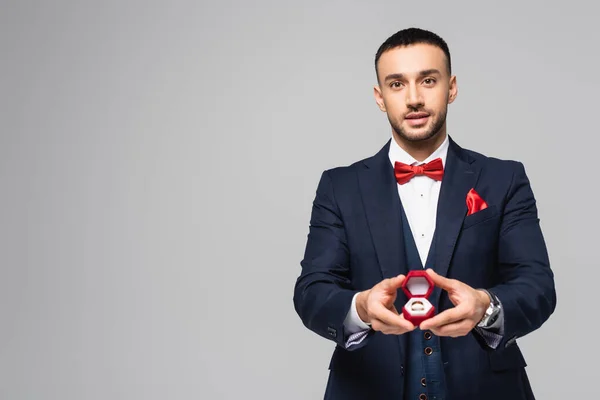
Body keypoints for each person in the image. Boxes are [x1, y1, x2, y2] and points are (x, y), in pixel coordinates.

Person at [293, 27, 556, 400]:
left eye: (428, 80)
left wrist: (486, 306)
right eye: (397, 84)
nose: (413, 98)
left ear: (451, 87)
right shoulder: (339, 186)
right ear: (379, 97)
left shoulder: (504, 178)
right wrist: (361, 308)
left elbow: (538, 286)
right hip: (368, 387)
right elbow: (311, 291)